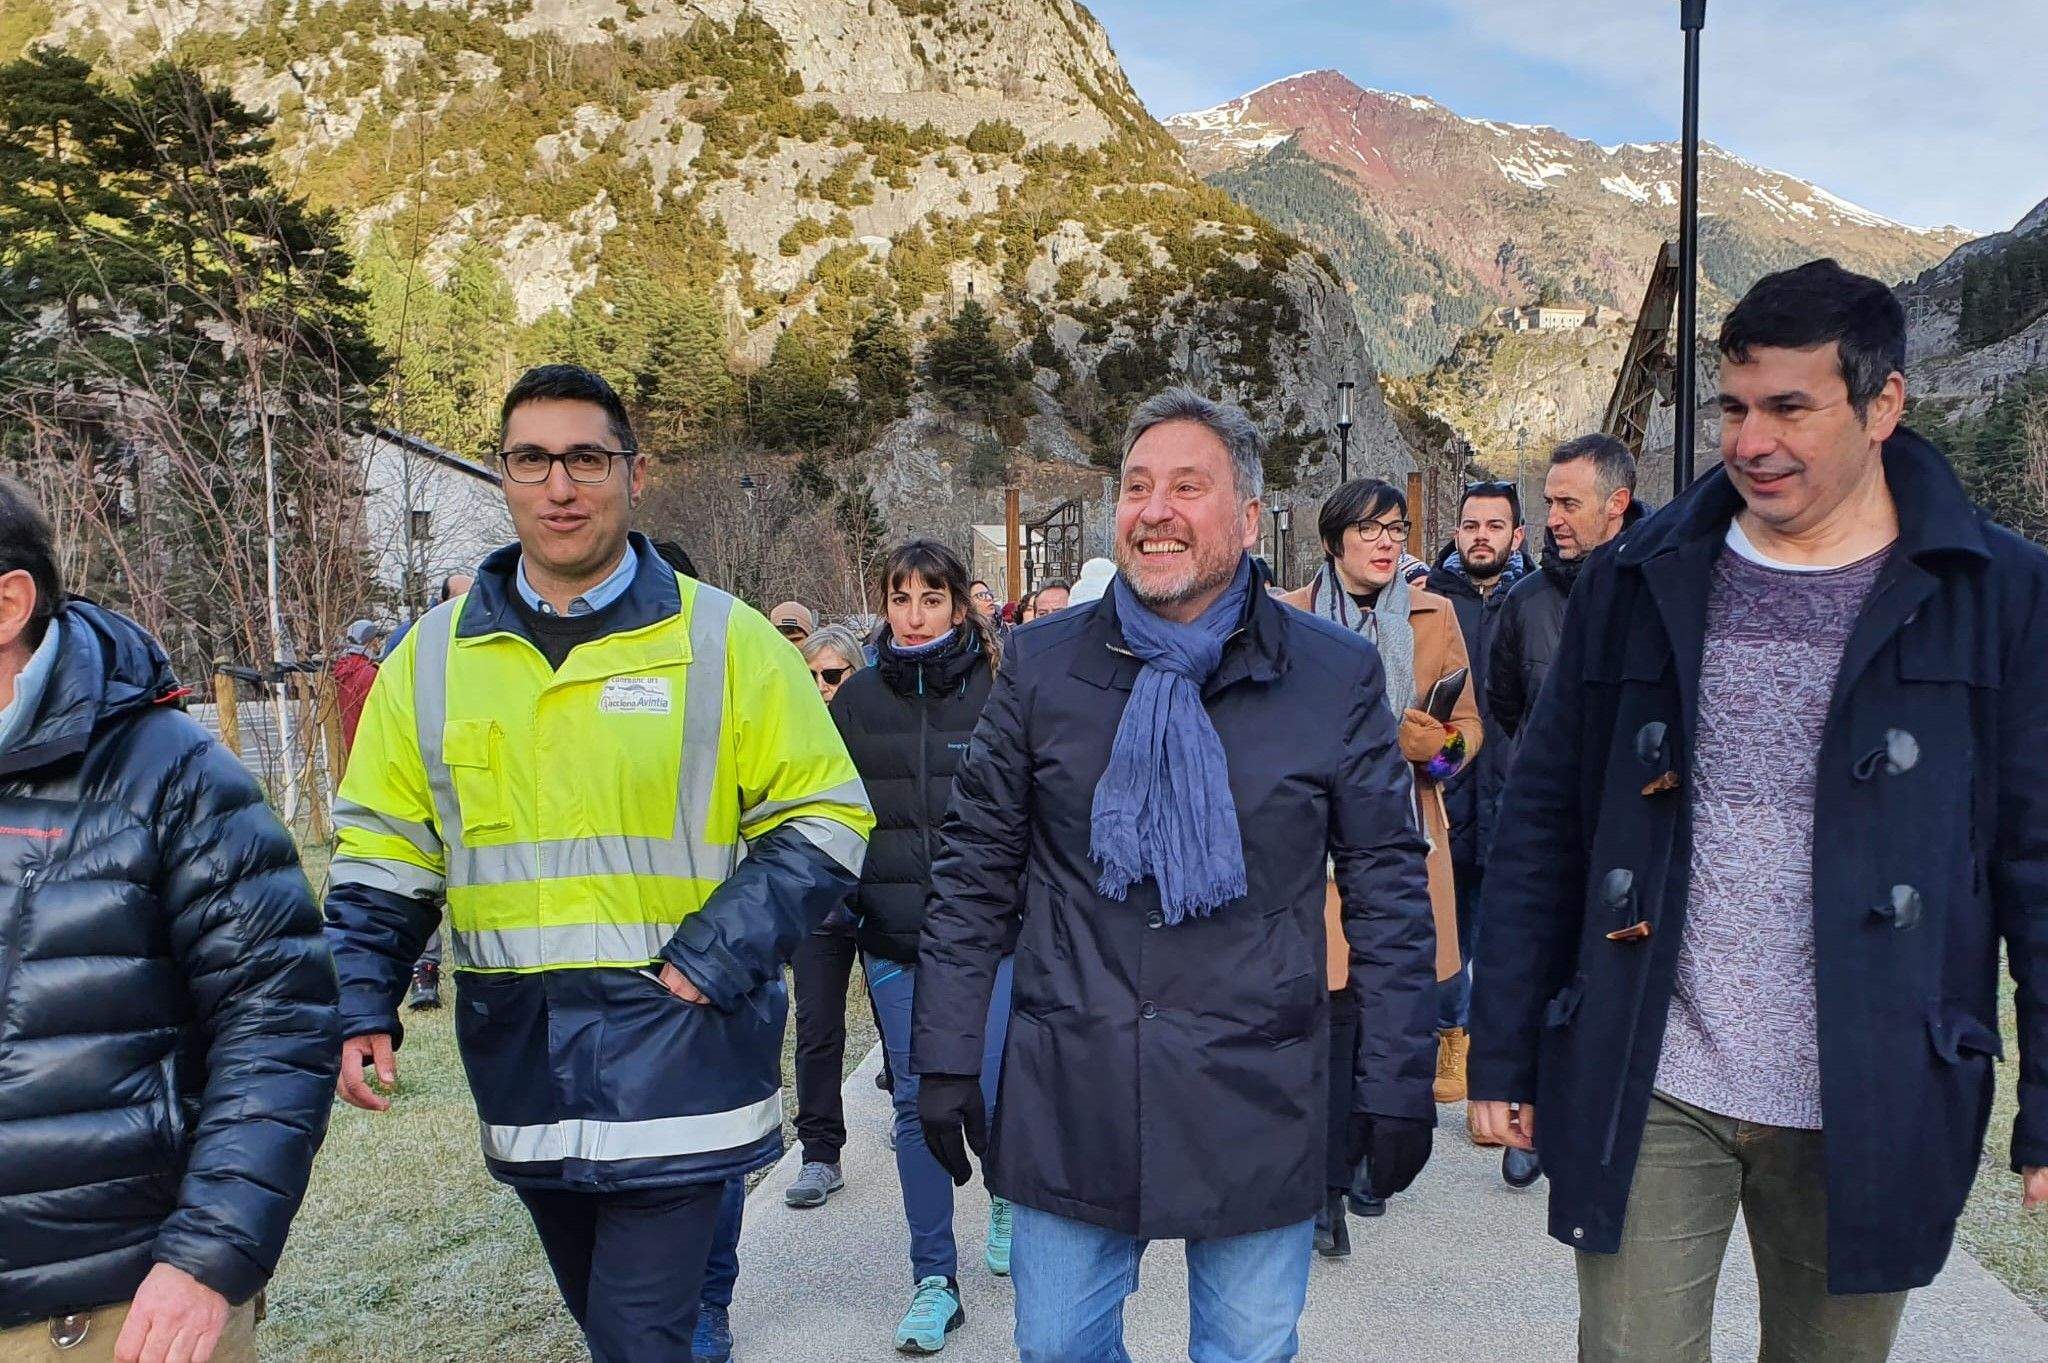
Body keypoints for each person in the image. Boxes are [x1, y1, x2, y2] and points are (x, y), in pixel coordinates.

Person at [1470, 259, 2048, 1362]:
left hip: (1870, 1081)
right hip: (1656, 1072)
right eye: (1733, 408)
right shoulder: (1636, 577)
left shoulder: (1999, 595)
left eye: (1789, 407)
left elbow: (2035, 857)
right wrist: (1501, 1044)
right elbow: (1542, 818)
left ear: (1883, 405)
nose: (1749, 441)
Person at [323, 364, 874, 1363]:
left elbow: (827, 818)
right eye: (532, 460)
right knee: (611, 1332)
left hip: (680, 1053)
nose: (560, 484)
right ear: (505, 477)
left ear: (633, 471)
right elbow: (385, 848)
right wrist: (362, 998)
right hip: (525, 1066)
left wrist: (715, 955)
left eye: (585, 457)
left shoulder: (726, 641)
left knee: (638, 1341)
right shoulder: (432, 659)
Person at [912, 388, 1437, 1363]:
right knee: (1059, 1350)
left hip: (1255, 1086)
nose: (1152, 509)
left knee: (1245, 1353)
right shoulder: (1040, 665)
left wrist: (1396, 1075)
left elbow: (1387, 889)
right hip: (1074, 1085)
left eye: (1185, 486)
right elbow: (973, 871)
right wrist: (942, 1055)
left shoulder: (1329, 676)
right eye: (1136, 486)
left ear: (1245, 519)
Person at [0, 477, 341, 1362]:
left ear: (9, 603)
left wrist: (206, 1259)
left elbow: (279, 1019)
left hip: (105, 1315)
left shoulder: (172, 773)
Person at [1281, 478, 1481, 1249]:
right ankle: (1326, 1187)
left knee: (1387, 1002)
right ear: (1333, 540)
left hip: (1405, 827)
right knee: (1331, 1010)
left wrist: (1441, 750)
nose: (1385, 541)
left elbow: (1469, 728)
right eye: (1368, 529)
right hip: (1315, 839)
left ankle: (1372, 1159)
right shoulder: (1291, 614)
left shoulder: (1436, 614)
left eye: (1395, 527)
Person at [828, 541, 1005, 1354]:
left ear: (959, 604)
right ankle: (935, 1278)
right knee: (912, 1103)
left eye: (930, 598)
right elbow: (833, 810)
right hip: (896, 935)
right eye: (900, 598)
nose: (914, 614)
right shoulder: (857, 698)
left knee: (996, 1086)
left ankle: (1005, 1195)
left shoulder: (1001, 690)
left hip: (994, 937)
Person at [1480, 434, 1639, 1192]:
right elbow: (1500, 711)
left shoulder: (1655, 594)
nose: (1554, 518)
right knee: (1540, 964)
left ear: (1618, 505)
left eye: (1569, 503)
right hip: (1547, 821)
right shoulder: (1524, 603)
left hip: (1634, 828)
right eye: (1547, 503)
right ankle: (1533, 1117)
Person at [1425, 481, 1529, 1115]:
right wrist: (1437, 770)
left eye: (1495, 525)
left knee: (1509, 939)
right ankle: (1451, 1039)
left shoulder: (1539, 601)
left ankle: (1498, 1064)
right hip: (1449, 796)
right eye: (1471, 525)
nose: (1481, 536)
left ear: (1517, 534)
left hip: (1517, 801)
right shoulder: (1430, 605)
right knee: (1445, 934)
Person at [784, 624, 874, 1210]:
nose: (821, 686)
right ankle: (819, 1152)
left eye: (833, 675)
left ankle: (912, 1116)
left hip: (879, 897)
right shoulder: (786, 738)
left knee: (904, 1025)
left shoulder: (878, 732)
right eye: (810, 675)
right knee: (817, 1028)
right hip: (817, 905)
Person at [380, 569, 475, 661]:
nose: (468, 606)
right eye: (460, 600)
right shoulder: (409, 633)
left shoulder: (478, 634)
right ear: (442, 601)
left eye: (473, 599)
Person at [332, 618, 384, 761]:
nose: (378, 644)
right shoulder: (368, 673)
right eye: (375, 639)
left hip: (345, 745)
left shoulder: (341, 670)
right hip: (366, 747)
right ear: (370, 641)